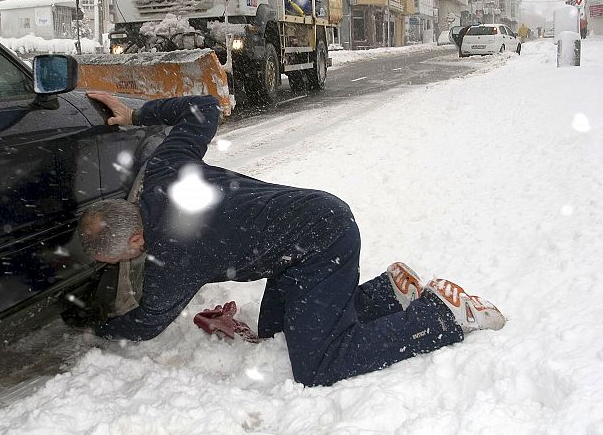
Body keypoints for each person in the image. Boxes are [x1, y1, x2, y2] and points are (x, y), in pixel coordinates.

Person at [77, 92, 505, 386]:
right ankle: (389, 293)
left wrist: (96, 323)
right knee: (276, 332)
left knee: (318, 365)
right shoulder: (164, 168)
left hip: (322, 239)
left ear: (134, 239)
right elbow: (204, 107)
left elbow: (146, 323)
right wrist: (136, 115)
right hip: (301, 231)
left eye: (120, 259)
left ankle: (442, 315)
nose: (126, 263)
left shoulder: (172, 257)